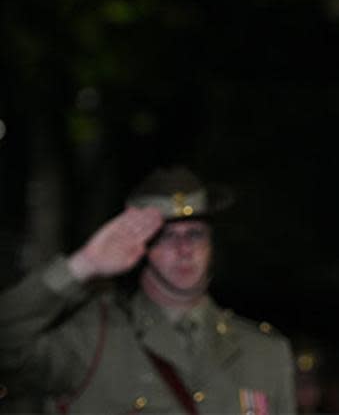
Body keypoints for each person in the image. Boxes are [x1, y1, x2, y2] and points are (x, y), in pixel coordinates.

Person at [0, 167, 296, 414]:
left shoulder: (266, 354)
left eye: (195, 234)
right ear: (141, 249)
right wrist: (82, 265)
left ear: (212, 244)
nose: (184, 249)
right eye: (167, 236)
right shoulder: (93, 339)